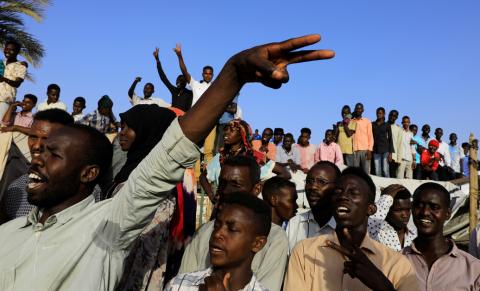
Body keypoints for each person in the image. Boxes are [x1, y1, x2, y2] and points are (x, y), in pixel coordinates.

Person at [0, 34, 335, 290]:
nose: (37, 159)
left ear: (89, 173)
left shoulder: (105, 226)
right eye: (39, 150)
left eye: (53, 154)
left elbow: (167, 156)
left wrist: (232, 75)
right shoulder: (8, 233)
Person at [284, 167, 418, 291]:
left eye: (353, 193)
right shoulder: (304, 252)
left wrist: (382, 285)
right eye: (338, 192)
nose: (343, 197)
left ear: (370, 209)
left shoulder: (397, 264)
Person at [181, 156, 289, 291]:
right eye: (222, 183)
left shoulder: (274, 238)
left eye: (235, 185)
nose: (225, 190)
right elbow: (183, 282)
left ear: (256, 189)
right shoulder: (205, 231)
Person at [112, 105, 178, 290]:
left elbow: (143, 255)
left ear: (148, 131)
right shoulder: (132, 169)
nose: (121, 133)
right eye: (121, 127)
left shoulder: (154, 187)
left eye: (128, 128)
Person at [165, 194, 271, 291]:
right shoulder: (179, 285)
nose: (217, 234)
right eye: (216, 225)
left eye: (232, 229)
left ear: (257, 244)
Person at [0, 109, 74, 223]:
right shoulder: (17, 186)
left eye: (46, 139)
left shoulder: (80, 190)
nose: (36, 145)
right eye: (33, 137)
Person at [403, 182, 480, 290]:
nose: (425, 212)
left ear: (448, 213)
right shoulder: (397, 262)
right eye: (419, 205)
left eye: (434, 207)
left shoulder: (473, 269)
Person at [174, 43, 216, 163]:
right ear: (202, 74)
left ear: (212, 75)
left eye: (210, 73)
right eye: (206, 73)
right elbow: (184, 71)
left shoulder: (215, 87)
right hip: (196, 119)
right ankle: (195, 179)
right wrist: (179, 55)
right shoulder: (196, 84)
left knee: (208, 151)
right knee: (194, 148)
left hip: (210, 120)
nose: (208, 75)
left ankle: (208, 180)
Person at [285, 161, 340, 252]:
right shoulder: (295, 223)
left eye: (322, 182)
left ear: (337, 188)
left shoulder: (345, 227)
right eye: (309, 181)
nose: (313, 187)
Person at [368, 184, 417, 251]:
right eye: (398, 210)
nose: (405, 215)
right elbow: (369, 224)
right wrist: (386, 199)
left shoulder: (415, 235)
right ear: (386, 209)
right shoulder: (376, 232)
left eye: (408, 209)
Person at [153, 47, 193, 112]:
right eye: (177, 80)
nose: (178, 81)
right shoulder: (174, 90)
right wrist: (157, 60)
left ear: (185, 83)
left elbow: (189, 108)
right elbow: (163, 78)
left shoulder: (189, 93)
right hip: (172, 115)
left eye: (181, 80)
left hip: (183, 118)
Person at [0, 39, 27, 119]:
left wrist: (4, 79)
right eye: (6, 49)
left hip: (4, 100)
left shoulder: (21, 66)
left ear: (17, 52)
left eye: (12, 50)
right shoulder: (1, 63)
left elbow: (17, 84)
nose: (8, 51)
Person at [372, 107, 393, 177]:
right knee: (377, 171)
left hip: (385, 150)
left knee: (385, 170)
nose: (378, 115)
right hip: (376, 150)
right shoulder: (372, 124)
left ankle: (388, 186)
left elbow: (390, 139)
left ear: (384, 114)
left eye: (380, 113)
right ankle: (379, 187)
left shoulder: (387, 125)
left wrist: (390, 153)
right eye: (377, 113)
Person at [352, 103, 373, 173]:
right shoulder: (351, 121)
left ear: (363, 110)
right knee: (355, 173)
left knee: (366, 173)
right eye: (357, 108)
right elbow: (345, 119)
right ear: (354, 109)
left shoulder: (367, 121)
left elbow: (370, 136)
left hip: (365, 150)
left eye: (360, 108)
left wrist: (370, 150)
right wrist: (351, 115)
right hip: (355, 150)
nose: (358, 110)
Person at [387, 109, 401, 176]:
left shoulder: (398, 129)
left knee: (392, 176)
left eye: (394, 116)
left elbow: (399, 144)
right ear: (388, 115)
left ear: (396, 118)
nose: (392, 117)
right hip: (383, 155)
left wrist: (398, 159)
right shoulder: (383, 125)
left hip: (394, 157)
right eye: (391, 115)